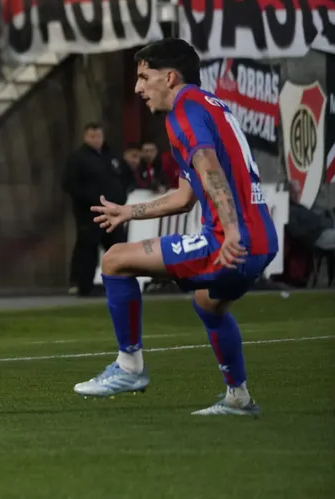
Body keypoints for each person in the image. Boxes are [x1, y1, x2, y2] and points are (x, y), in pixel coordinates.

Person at [78, 38, 277, 417]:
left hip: (229, 241)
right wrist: (129, 212)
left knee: (115, 260)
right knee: (207, 304)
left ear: (169, 77)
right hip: (263, 242)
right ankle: (238, 398)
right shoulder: (211, 106)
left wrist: (232, 231)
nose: (138, 88)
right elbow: (186, 197)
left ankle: (129, 367)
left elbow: (209, 168)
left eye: (144, 77)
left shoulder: (183, 111)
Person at [61, 124, 128, 297]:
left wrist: (120, 199)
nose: (96, 140)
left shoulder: (111, 156)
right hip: (89, 213)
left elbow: (123, 177)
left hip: (112, 212)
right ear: (85, 137)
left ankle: (120, 282)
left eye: (98, 136)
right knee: (88, 248)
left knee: (118, 246)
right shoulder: (77, 158)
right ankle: (84, 285)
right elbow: (69, 184)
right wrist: (90, 200)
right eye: (92, 136)